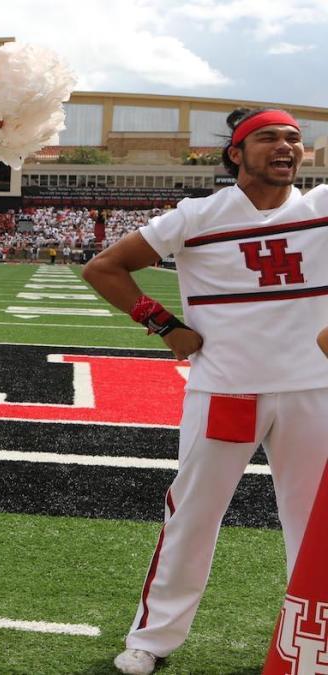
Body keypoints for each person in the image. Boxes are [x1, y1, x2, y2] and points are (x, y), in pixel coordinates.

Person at [83, 108, 328, 675]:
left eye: (294, 139)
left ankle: (314, 632)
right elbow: (105, 268)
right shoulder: (196, 216)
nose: (285, 147)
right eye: (268, 138)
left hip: (314, 388)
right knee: (193, 514)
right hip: (227, 388)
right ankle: (153, 638)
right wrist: (166, 326)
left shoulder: (322, 208)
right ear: (236, 153)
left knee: (316, 519)